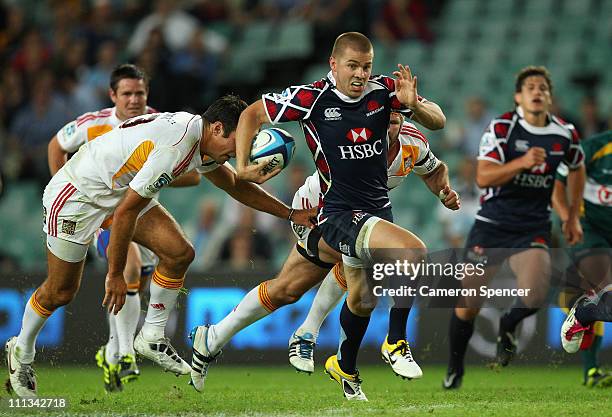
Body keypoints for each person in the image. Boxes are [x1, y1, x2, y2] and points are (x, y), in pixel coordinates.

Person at [190, 31, 447, 401]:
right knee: (410, 253)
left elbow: (437, 121)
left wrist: (416, 107)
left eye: (366, 66)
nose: (360, 75)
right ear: (333, 64)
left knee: (311, 292)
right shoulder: (310, 98)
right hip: (331, 210)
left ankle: (215, 339)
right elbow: (251, 113)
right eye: (352, 66)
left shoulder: (387, 92)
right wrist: (243, 166)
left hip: (374, 212)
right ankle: (384, 340)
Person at [5, 94, 315, 398]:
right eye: (237, 144)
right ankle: (21, 352)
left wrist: (290, 213)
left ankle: (152, 335)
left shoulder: (202, 139)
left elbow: (234, 184)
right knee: (61, 290)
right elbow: (126, 211)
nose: (238, 154)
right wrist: (114, 273)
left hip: (117, 192)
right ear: (218, 128)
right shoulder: (176, 147)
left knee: (180, 253)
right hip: (77, 197)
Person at [47, 63, 199, 392]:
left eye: (140, 93)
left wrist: (152, 177)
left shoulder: (162, 124)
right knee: (127, 269)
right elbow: (56, 146)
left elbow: (195, 175)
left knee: (140, 283)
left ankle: (112, 351)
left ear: (148, 94)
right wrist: (64, 185)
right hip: (100, 212)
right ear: (112, 95)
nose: (134, 100)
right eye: (127, 93)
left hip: (139, 212)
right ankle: (126, 353)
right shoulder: (93, 124)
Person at [443, 66, 586, 390]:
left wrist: (571, 215)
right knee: (468, 305)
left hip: (532, 227)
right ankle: (455, 367)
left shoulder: (564, 133)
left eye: (543, 88)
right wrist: (521, 163)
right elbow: (483, 177)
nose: (537, 92)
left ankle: (508, 323)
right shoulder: (503, 128)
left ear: (549, 97)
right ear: (518, 96)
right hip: (492, 225)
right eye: (530, 87)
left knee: (535, 293)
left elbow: (576, 168)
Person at [288, 111, 459, 378]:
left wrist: (443, 190)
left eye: (394, 122)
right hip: (320, 213)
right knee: (411, 254)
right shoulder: (353, 139)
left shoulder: (411, 141)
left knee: (363, 299)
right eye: (382, 121)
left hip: (366, 215)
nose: (388, 128)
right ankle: (395, 341)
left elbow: (434, 169)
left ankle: (342, 365)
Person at [554, 130, 612, 387]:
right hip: (591, 231)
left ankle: (586, 310)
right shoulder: (595, 147)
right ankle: (591, 369)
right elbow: (558, 180)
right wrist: (568, 217)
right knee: (604, 286)